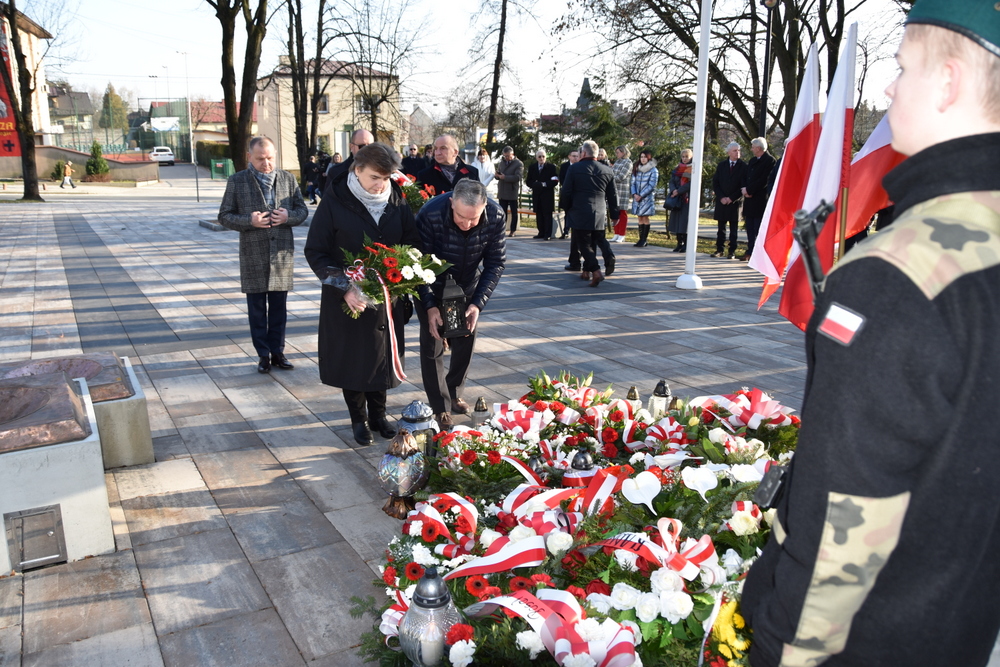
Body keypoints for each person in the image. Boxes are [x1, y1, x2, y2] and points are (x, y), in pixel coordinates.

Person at [742, 2, 1000, 666]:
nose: (888, 87)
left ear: (948, 81)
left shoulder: (896, 277)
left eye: (903, 67)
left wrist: (777, 650)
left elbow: (839, 526)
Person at [303, 143, 422, 446]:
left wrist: (404, 272)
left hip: (387, 295)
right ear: (357, 170)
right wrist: (344, 287)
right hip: (349, 297)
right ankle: (359, 419)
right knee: (354, 358)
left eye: (386, 178)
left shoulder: (396, 198)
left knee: (380, 356)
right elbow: (315, 251)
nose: (380, 184)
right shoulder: (335, 200)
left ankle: (379, 415)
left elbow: (411, 241)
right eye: (374, 177)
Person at [414, 179, 506, 429]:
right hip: (431, 283)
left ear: (484, 206)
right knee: (433, 343)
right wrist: (430, 305)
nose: (466, 224)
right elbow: (417, 264)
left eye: (473, 219)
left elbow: (495, 262)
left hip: (467, 285)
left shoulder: (496, 215)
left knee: (465, 336)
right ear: (452, 203)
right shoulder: (430, 214)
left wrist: (477, 304)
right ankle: (440, 406)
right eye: (461, 217)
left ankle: (454, 392)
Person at [218, 136, 309, 374]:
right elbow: (224, 216)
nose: (266, 163)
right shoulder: (237, 181)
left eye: (269, 158)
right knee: (257, 310)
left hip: (281, 255)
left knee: (279, 308)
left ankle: (278, 352)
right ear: (249, 157)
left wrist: (288, 217)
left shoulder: (288, 179)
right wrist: (250, 221)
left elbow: (302, 210)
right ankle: (263, 355)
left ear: (275, 155)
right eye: (260, 159)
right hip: (253, 254)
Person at [560, 140, 619, 287]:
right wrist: (614, 215)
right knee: (594, 241)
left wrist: (565, 208)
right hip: (599, 211)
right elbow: (613, 195)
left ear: (584, 153)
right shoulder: (607, 170)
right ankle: (586, 271)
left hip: (579, 210)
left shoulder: (574, 168)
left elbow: (566, 191)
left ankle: (596, 270)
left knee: (583, 244)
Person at [740, 137, 776, 261]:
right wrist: (745, 189)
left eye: (753, 147)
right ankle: (750, 250)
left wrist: (750, 190)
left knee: (758, 228)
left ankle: (758, 253)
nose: (751, 149)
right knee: (749, 227)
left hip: (760, 199)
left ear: (759, 148)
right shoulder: (752, 160)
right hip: (749, 199)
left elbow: (764, 180)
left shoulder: (770, 161)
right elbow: (746, 176)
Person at [711, 142, 747, 259]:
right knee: (721, 228)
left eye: (739, 150)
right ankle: (719, 249)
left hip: (735, 202)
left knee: (733, 229)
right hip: (722, 201)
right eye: (735, 151)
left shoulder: (743, 166)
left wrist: (731, 198)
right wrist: (721, 197)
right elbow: (716, 183)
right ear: (728, 152)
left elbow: (743, 185)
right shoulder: (722, 165)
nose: (737, 153)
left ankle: (732, 251)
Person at [526, 149, 558, 240]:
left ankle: (547, 234)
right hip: (537, 194)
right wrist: (534, 184)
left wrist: (543, 184)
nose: (541, 158)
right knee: (539, 214)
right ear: (536, 158)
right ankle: (541, 232)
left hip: (547, 195)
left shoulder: (551, 167)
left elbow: (555, 181)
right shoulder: (532, 167)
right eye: (539, 156)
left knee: (547, 215)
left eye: (543, 156)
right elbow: (528, 181)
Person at [666, 149, 694, 252]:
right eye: (683, 156)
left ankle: (686, 244)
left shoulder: (692, 168)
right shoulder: (677, 168)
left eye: (687, 157)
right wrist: (673, 190)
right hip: (676, 199)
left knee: (684, 222)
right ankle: (679, 243)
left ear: (691, 157)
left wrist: (679, 191)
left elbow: (690, 184)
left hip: (686, 199)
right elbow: (671, 181)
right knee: (676, 222)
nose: (685, 159)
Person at [630, 149, 658, 248]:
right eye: (641, 157)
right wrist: (634, 194)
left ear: (649, 158)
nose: (643, 159)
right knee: (639, 217)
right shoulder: (636, 168)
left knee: (645, 217)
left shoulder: (653, 170)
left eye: (645, 157)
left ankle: (644, 240)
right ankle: (640, 239)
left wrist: (641, 195)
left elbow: (652, 185)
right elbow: (632, 183)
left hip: (646, 198)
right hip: (637, 198)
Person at [494, 146, 523, 236]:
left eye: (508, 156)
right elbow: (499, 173)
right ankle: (502, 229)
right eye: (505, 156)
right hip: (502, 191)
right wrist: (497, 175)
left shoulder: (518, 163)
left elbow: (518, 177)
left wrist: (505, 177)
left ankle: (513, 230)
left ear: (512, 154)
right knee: (502, 212)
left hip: (512, 191)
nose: (506, 158)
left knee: (514, 212)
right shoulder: (502, 162)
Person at [610, 146, 632, 242]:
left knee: (622, 212)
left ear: (623, 152)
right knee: (615, 212)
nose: (617, 154)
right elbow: (612, 173)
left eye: (618, 152)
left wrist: (610, 179)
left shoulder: (628, 162)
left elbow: (621, 176)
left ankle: (622, 234)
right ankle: (616, 233)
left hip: (623, 190)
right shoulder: (617, 162)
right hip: (614, 189)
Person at [558, 150, 580, 241]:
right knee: (567, 213)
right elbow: (562, 179)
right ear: (569, 156)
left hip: (577, 194)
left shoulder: (580, 166)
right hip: (567, 193)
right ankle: (566, 231)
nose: (575, 158)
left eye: (577, 156)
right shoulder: (564, 166)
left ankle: (576, 232)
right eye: (573, 156)